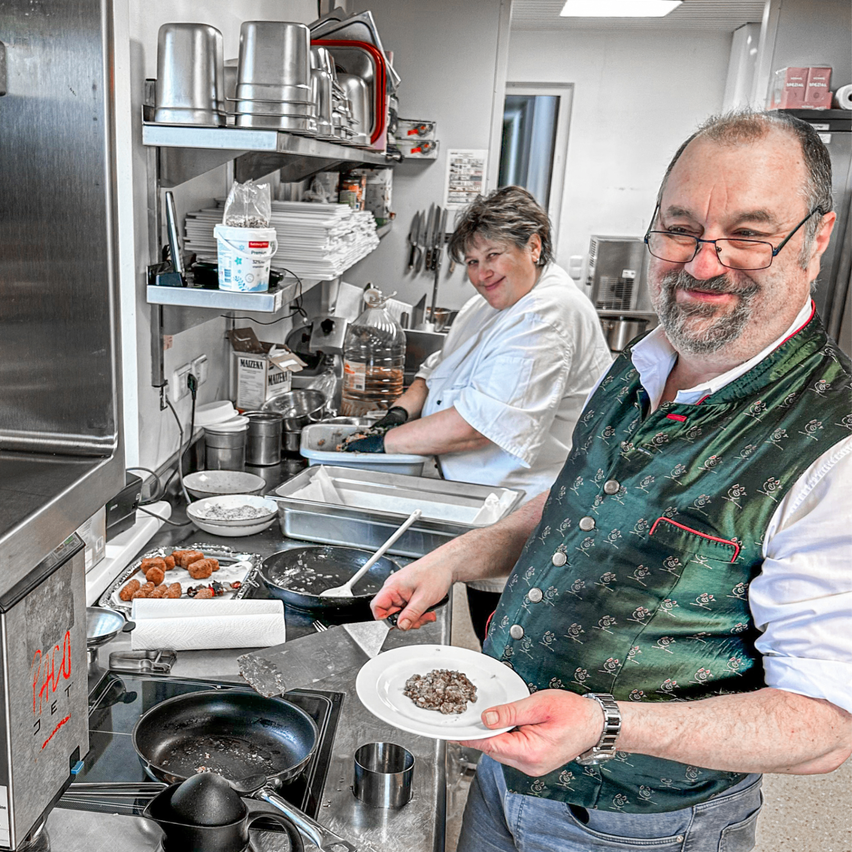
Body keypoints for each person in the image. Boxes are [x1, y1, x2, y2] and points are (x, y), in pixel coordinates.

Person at [370, 109, 852, 852]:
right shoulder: (643, 360)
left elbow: (823, 727)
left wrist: (607, 723)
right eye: (681, 228)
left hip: (638, 823)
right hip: (507, 770)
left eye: (749, 234)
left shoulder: (833, 445)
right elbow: (579, 503)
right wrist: (460, 557)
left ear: (815, 241)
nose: (701, 263)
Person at [344, 186, 611, 643]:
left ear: (535, 245)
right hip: (481, 506)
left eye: (494, 255)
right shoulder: (490, 301)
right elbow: (435, 372)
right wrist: (397, 412)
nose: (482, 273)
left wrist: (379, 445)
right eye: (471, 262)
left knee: (509, 638)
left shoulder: (548, 313)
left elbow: (475, 428)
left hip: (525, 513)